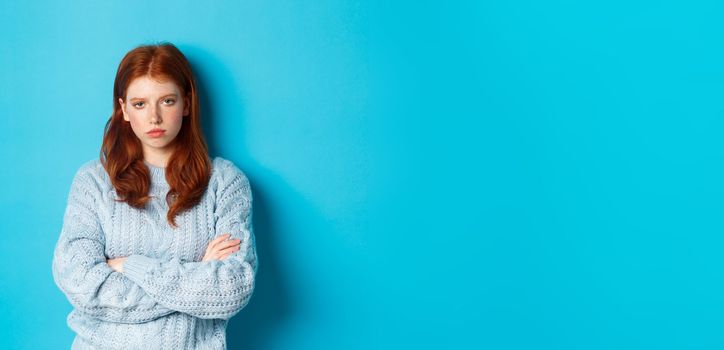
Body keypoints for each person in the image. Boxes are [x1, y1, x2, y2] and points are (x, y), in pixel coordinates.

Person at [51, 42, 258, 349]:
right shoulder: (92, 181)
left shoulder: (225, 182)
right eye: (140, 104)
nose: (154, 118)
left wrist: (131, 266)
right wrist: (198, 276)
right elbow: (81, 284)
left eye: (167, 101)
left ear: (186, 104)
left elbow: (234, 286)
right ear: (123, 109)